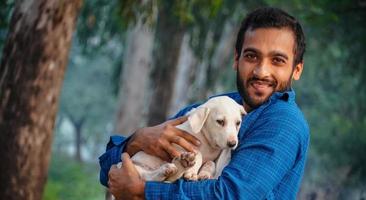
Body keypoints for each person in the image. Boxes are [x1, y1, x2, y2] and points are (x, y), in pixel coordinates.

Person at [99, 7, 309, 199]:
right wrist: (137, 141)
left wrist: (142, 191)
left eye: (277, 60)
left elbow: (231, 194)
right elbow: (110, 171)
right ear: (237, 59)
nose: (261, 71)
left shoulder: (284, 122)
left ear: (297, 69)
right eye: (252, 56)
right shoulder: (211, 108)